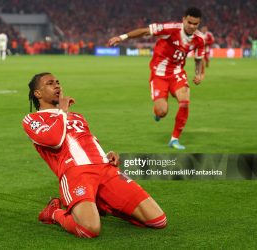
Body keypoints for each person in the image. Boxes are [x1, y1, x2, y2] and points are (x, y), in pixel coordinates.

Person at [22, 72, 167, 238]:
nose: (57, 85)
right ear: (37, 93)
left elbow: (88, 141)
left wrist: (107, 154)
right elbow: (54, 139)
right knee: (89, 229)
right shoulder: (33, 119)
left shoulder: (77, 116)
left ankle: (101, 203)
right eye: (50, 83)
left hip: (106, 169)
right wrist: (62, 111)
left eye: (57, 82)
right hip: (76, 173)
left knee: (158, 221)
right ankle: (54, 212)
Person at [108, 7, 205, 150]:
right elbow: (144, 31)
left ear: (199, 23)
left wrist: (198, 74)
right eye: (189, 22)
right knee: (162, 111)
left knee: (184, 102)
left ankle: (174, 139)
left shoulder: (199, 39)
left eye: (195, 24)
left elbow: (198, 59)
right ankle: (157, 113)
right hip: (159, 74)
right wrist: (122, 37)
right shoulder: (170, 29)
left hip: (177, 73)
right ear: (184, 19)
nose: (192, 26)